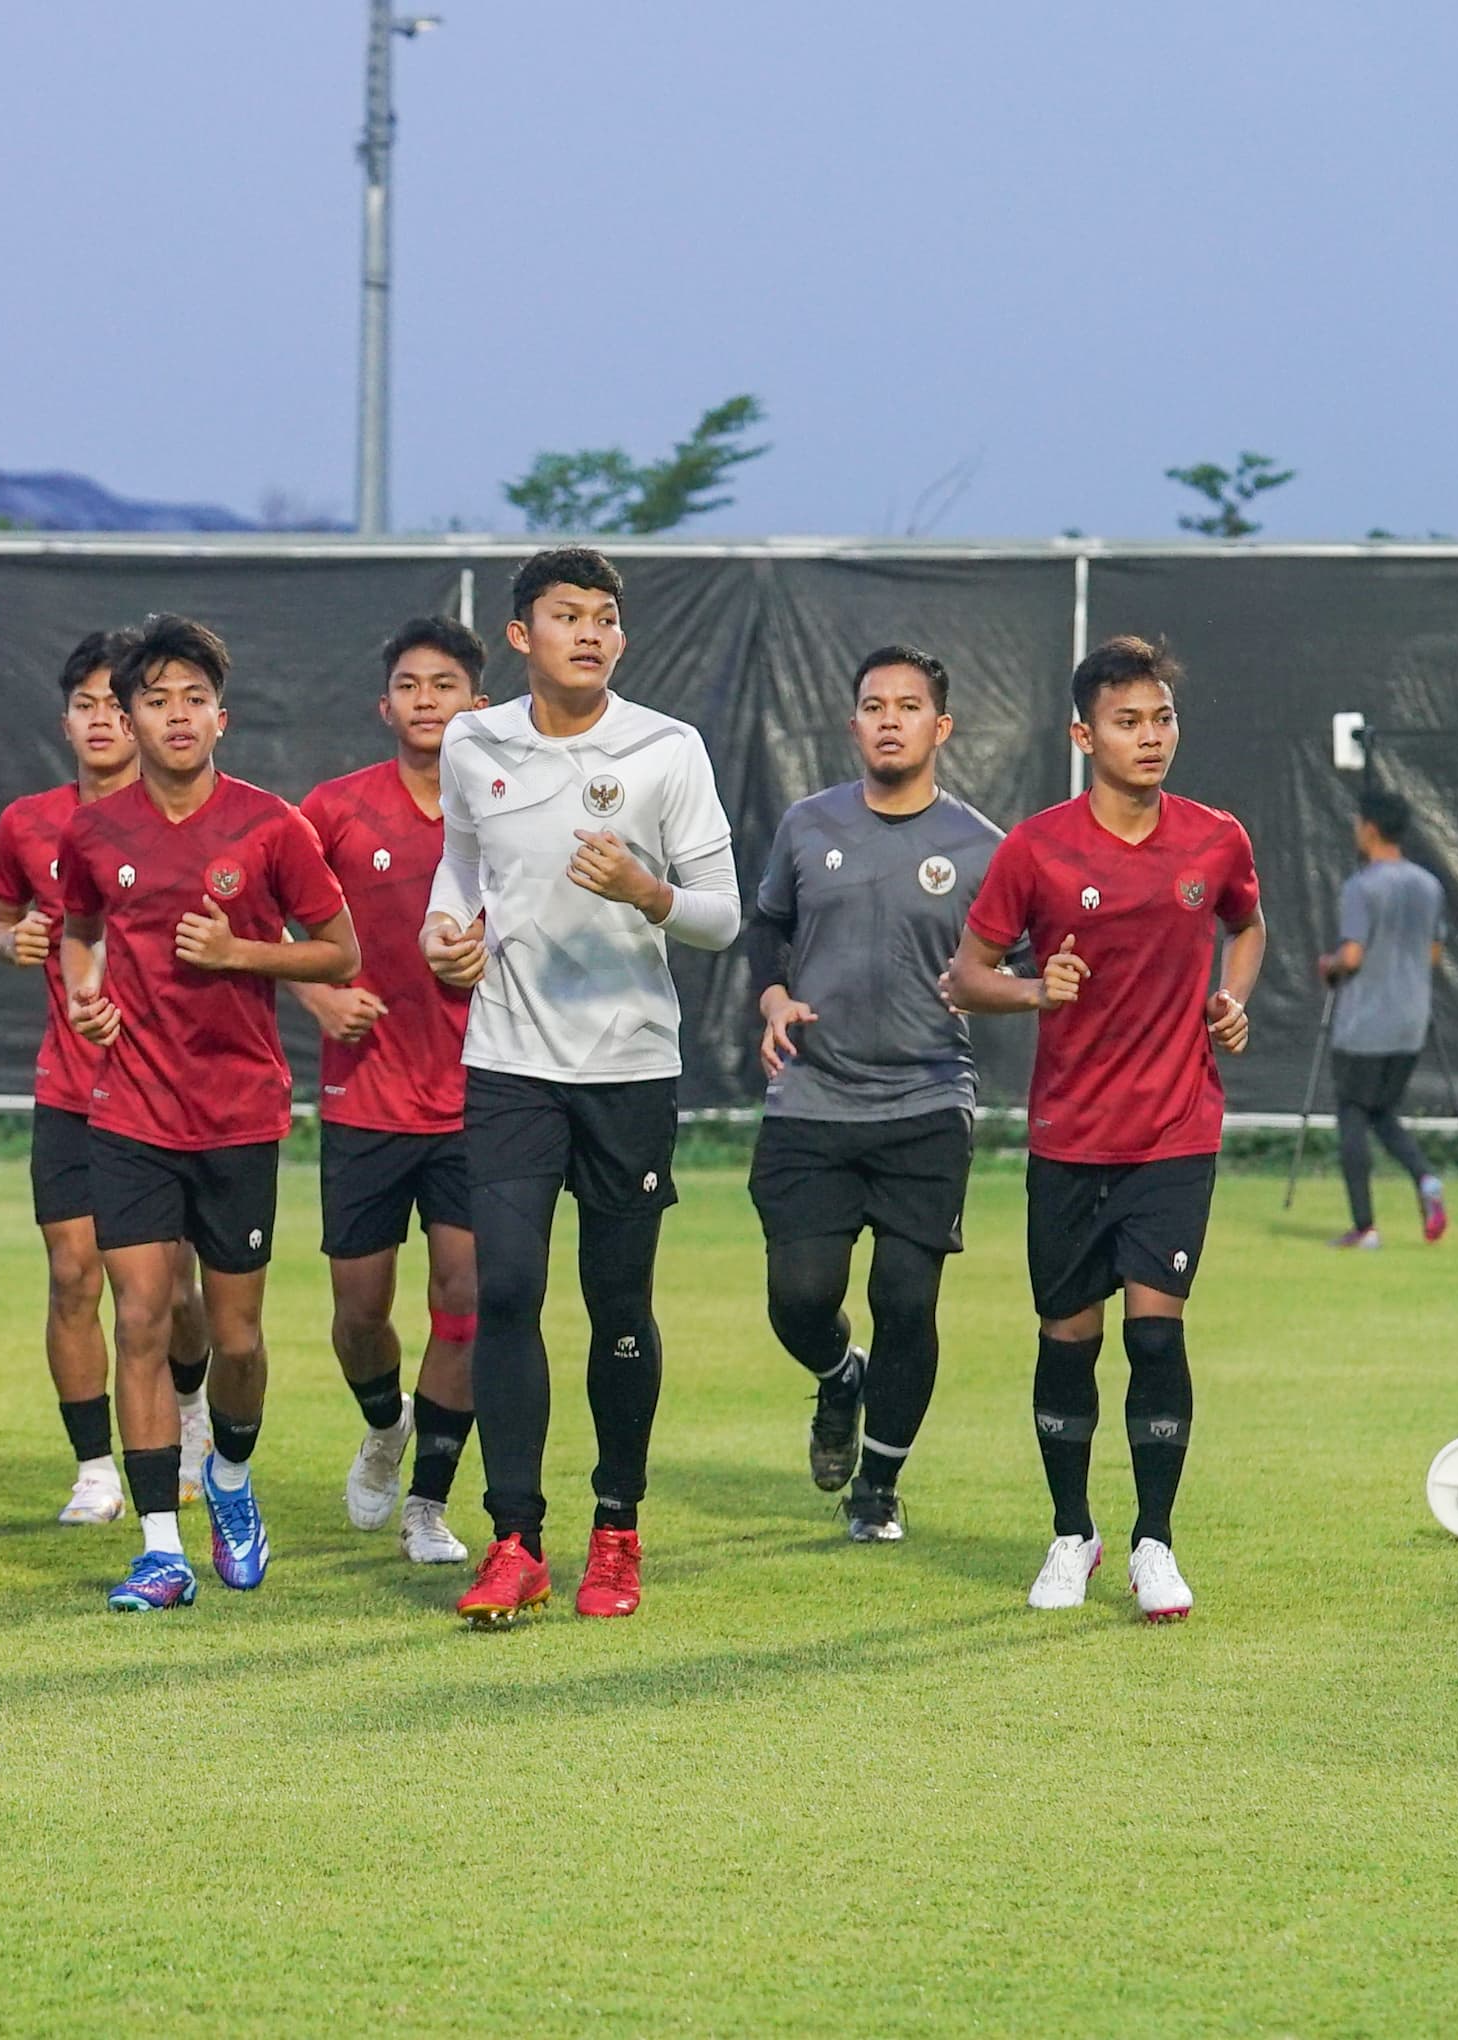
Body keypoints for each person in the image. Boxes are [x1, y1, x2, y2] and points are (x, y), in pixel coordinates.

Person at [421, 547, 740, 1629]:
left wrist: (649, 890)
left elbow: (722, 913)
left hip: (628, 1068)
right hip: (508, 1062)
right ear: (522, 635)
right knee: (503, 1290)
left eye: (606, 617)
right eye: (569, 616)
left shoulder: (665, 749)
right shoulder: (475, 739)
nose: (592, 633)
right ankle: (515, 1540)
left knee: (618, 1305)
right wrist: (442, 936)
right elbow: (462, 868)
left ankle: (617, 1530)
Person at [946, 634, 1262, 1624]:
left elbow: (1245, 923)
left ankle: (1153, 1544)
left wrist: (1231, 997)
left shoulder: (1217, 839)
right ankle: (1071, 1532)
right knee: (1067, 1340)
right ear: (1085, 734)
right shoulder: (1035, 848)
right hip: (1069, 1138)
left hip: (1176, 1131)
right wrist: (1036, 990)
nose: (1151, 736)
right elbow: (964, 976)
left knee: (1156, 1335)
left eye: (1162, 717)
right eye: (1128, 721)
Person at [58, 614, 359, 1611]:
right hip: (131, 1111)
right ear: (128, 718)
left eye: (193, 698)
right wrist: (88, 996)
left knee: (234, 1339)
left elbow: (339, 953)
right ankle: (158, 1547)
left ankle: (229, 1477)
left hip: (238, 1115)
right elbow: (79, 934)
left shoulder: (273, 825)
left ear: (220, 717)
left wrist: (242, 955)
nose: (175, 715)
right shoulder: (93, 832)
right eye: (155, 700)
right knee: (141, 1316)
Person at [745, 644, 1003, 1543]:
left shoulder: (983, 848)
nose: (889, 718)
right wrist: (774, 996)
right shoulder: (807, 824)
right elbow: (767, 927)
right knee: (798, 1295)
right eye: (872, 704)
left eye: (908, 704)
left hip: (928, 1102)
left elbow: (1021, 963)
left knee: (908, 1299)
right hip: (812, 1098)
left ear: (942, 726)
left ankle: (879, 1487)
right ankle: (838, 1378)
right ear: (853, 723)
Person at [0, 627, 213, 1527]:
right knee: (73, 1274)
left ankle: (189, 1415)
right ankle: (93, 1469)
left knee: (171, 1292)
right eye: (87, 706)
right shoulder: (29, 823)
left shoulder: (191, 821)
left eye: (122, 705)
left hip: (172, 1098)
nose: (104, 721)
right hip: (73, 1092)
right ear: (66, 720)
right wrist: (18, 941)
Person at [292, 617, 489, 1566]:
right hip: (365, 1100)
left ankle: (429, 1505)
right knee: (360, 1311)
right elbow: (257, 920)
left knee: (469, 1302)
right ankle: (382, 1423)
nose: (426, 700)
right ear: (384, 705)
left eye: (444, 684)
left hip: (482, 1101)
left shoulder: (507, 809)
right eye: (409, 684)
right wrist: (317, 991)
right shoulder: (332, 810)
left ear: (478, 704)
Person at [1316, 788, 1449, 1249]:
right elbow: (1433, 953)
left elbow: (1352, 955)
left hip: (1364, 1024)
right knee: (1383, 1113)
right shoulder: (1429, 885)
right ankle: (1426, 1179)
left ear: (1370, 829)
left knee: (1353, 1114)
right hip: (1410, 1022)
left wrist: (1329, 966)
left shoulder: (1362, 886)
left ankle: (1365, 1226)